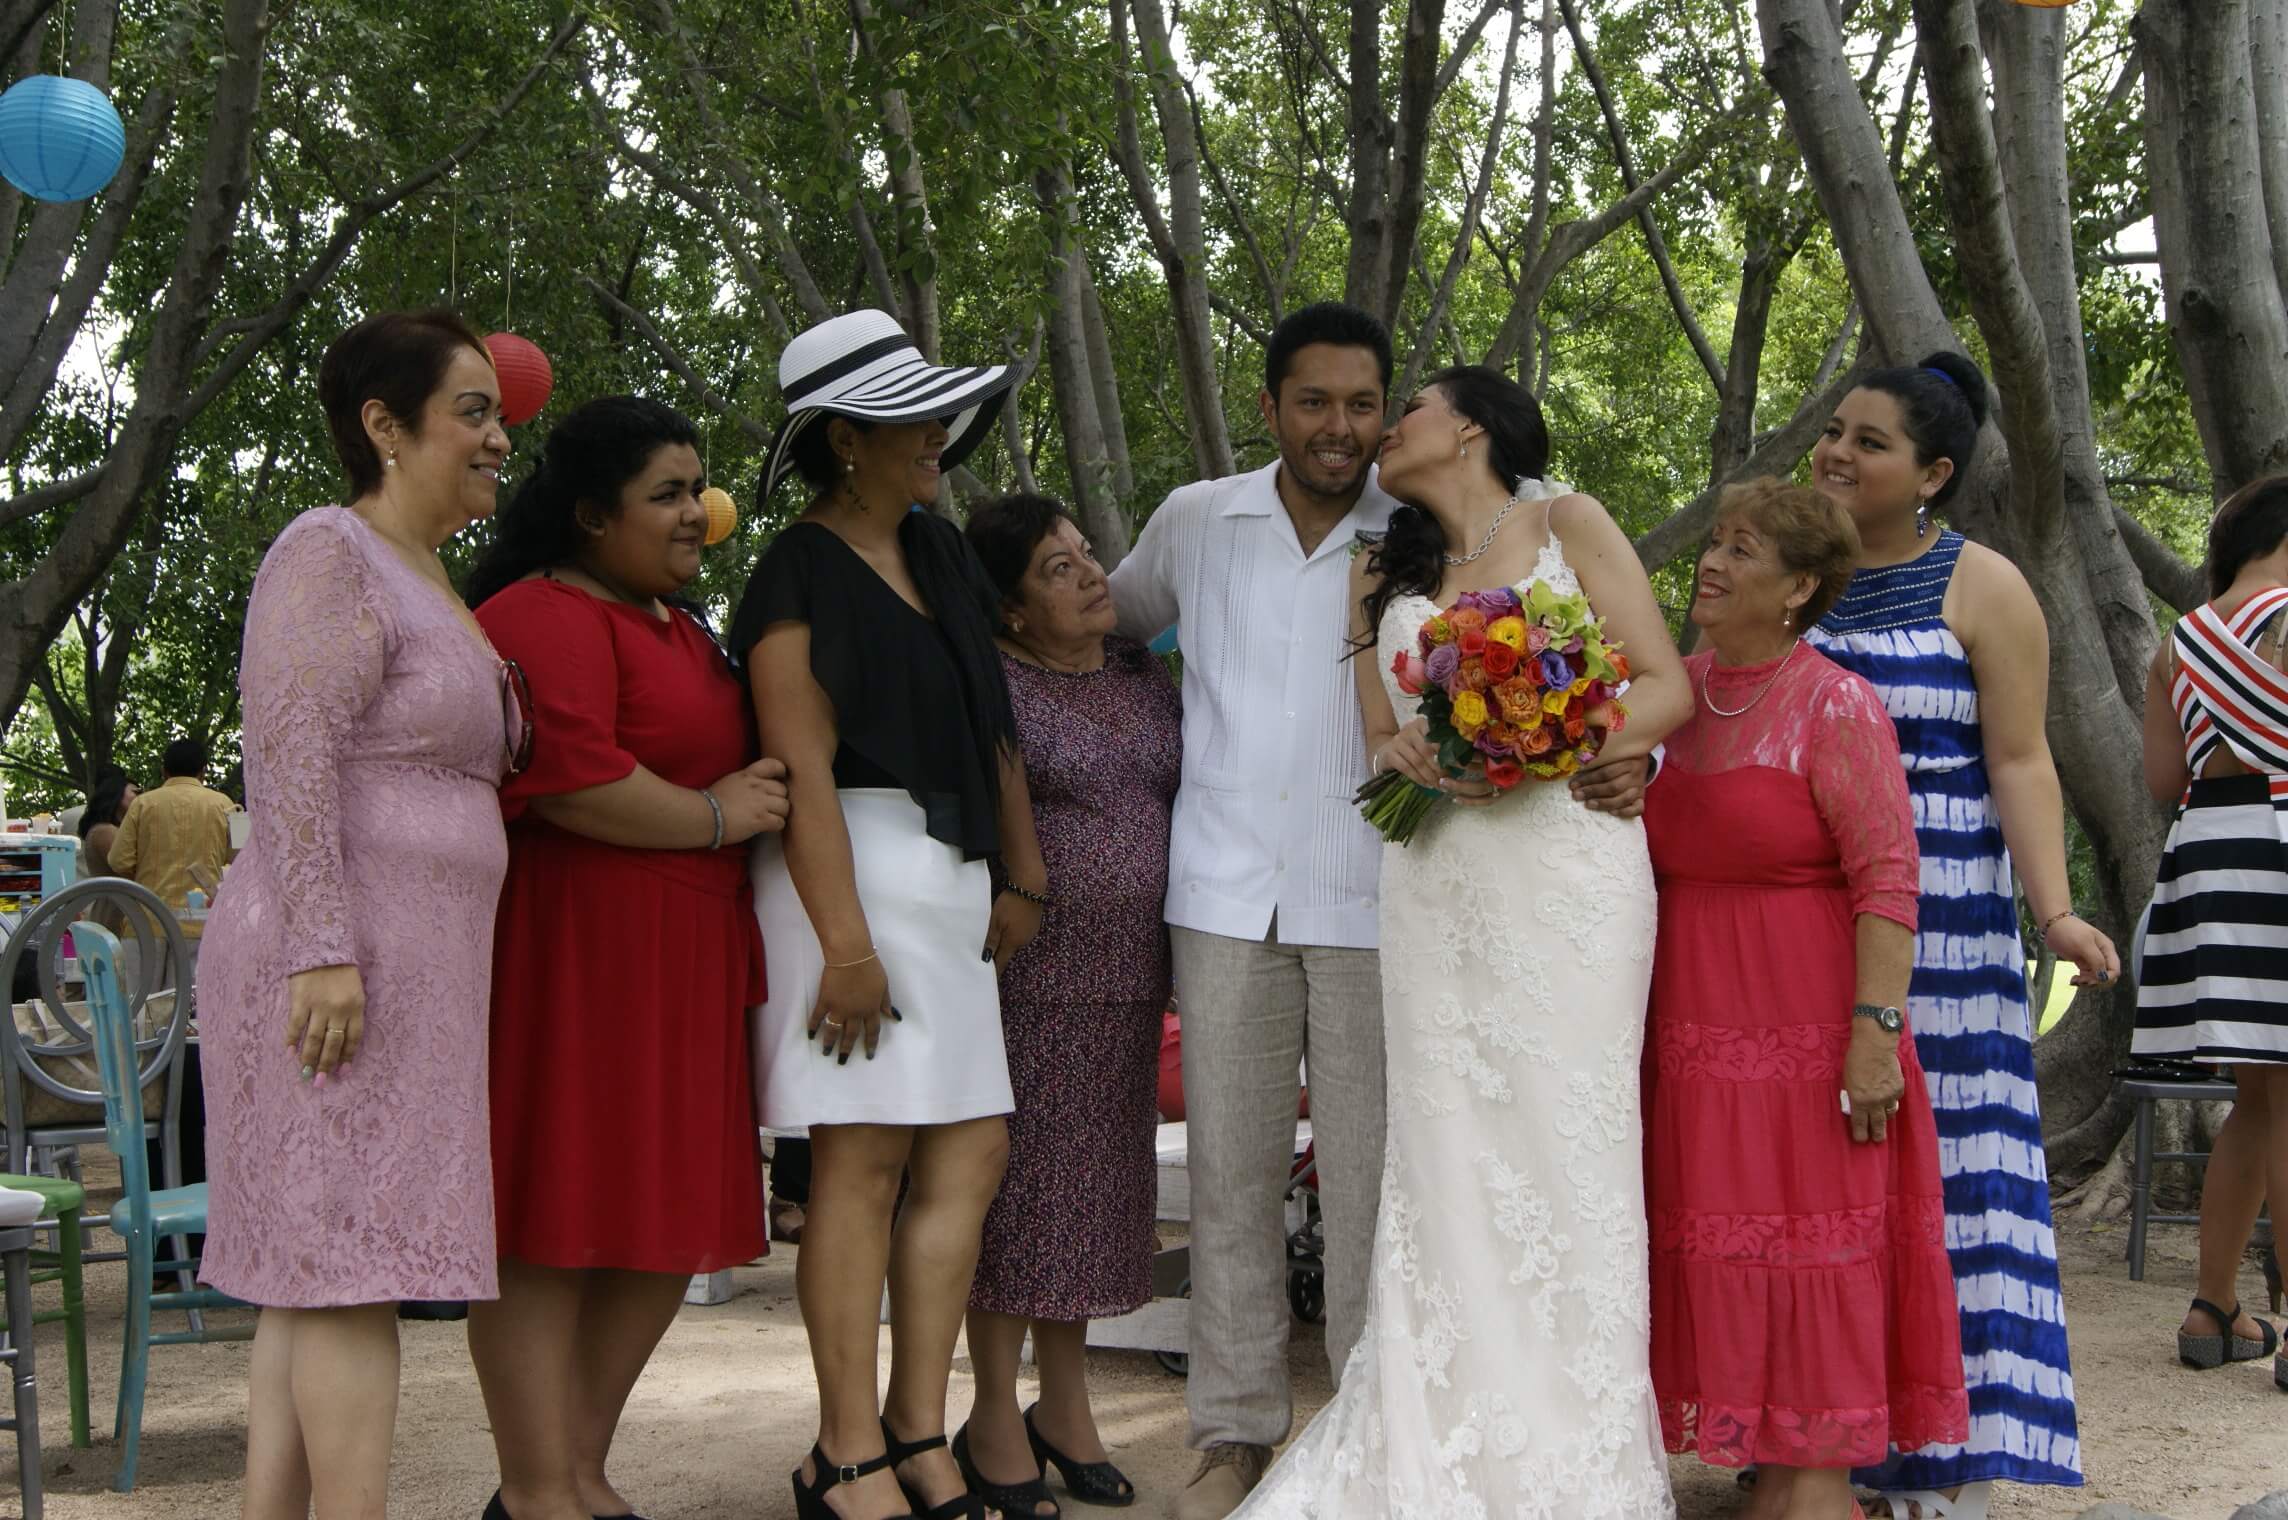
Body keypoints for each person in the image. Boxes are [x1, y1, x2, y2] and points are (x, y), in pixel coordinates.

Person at [1235, 365, 1692, 1516]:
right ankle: (1430, 1426)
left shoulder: (1566, 523)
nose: (1388, 428)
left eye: (1412, 408)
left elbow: (1664, 685)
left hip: (1567, 873)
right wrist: (1404, 755)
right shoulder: (1373, 569)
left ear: (1472, 426)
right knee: (1441, 1150)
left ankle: (1570, 1452)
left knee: (1563, 1144)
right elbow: (1381, 737)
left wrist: (1546, 743)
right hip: (1434, 881)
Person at [198, 309, 514, 1520]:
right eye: (471, 411)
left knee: (314, 1269)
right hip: (336, 962)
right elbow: (287, 750)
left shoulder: (430, 573)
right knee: (345, 1268)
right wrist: (323, 947)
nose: (497, 437)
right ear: (385, 425)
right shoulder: (328, 547)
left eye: (499, 414)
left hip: (412, 969)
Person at [732, 309, 1048, 1520]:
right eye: (915, 417)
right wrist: (847, 946)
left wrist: (1020, 869)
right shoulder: (792, 569)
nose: (940, 437)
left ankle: (922, 1427)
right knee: (858, 1164)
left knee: (971, 1149)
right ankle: (844, 1448)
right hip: (843, 891)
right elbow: (801, 765)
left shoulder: (941, 546)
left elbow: (992, 722)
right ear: (847, 437)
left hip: (955, 884)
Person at [463, 396, 791, 1520]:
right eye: (667, 493)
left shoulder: (677, 622)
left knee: (665, 1221)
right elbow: (578, 782)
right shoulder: (544, 610)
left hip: (691, 950)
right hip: (580, 951)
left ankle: (576, 1469)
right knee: (553, 1217)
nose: (696, 511)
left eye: (696, 487)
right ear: (594, 516)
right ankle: (535, 1481)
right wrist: (712, 814)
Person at [1801, 352, 2115, 1519]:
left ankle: (1951, 1459)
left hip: (1948, 927)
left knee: (1953, 1178)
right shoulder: (1793, 572)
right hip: (1807, 917)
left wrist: (2056, 910)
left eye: (1868, 441)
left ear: (1930, 473)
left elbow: (2019, 759)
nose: (1835, 453)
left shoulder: (1983, 585)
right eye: (1834, 430)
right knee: (1824, 1175)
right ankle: (1824, 1451)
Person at [1105, 302, 1395, 1520]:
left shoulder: (1420, 526)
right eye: (1314, 402)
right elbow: (1105, 627)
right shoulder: (1193, 519)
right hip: (1219, 888)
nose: (1339, 428)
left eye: (1361, 404)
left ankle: (1379, 1432)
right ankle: (1231, 1434)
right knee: (1229, 1172)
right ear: (1270, 403)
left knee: (1380, 1179)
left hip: (1378, 891)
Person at [1645, 477, 1969, 1520]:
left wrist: (1871, 1036)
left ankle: (1818, 1484)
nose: (1711, 561)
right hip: (1691, 1031)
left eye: (1740, 551)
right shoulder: (1669, 692)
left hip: (1811, 1028)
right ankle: (1778, 1477)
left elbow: (1887, 874)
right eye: (1713, 542)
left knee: (1814, 1246)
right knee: (1722, 1243)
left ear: (1795, 588)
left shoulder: (1834, 701)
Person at [956, 494, 1183, 1519]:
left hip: (1134, 976)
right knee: (1021, 1194)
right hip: (1033, 977)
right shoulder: (991, 685)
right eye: (1057, 567)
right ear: (1007, 608)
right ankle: (994, 1411)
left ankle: (1067, 1404)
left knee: (1093, 1195)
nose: (1093, 572)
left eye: (1086, 553)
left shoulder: (1143, 673)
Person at [2133, 474, 2288, 1388]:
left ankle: (2214, 1305)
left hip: (2213, 856)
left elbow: (2162, 777)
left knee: (2261, 1098)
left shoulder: (2177, 643)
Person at [111, 736, 235, 940]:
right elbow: (238, 860)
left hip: (148, 922)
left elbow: (118, 861)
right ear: (203, 770)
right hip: (203, 924)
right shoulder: (224, 804)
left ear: (164, 771)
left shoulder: (143, 804)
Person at [71, 766, 135, 879]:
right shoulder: (105, 831)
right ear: (116, 791)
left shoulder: (107, 828)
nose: (142, 797)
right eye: (136, 792)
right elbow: (131, 870)